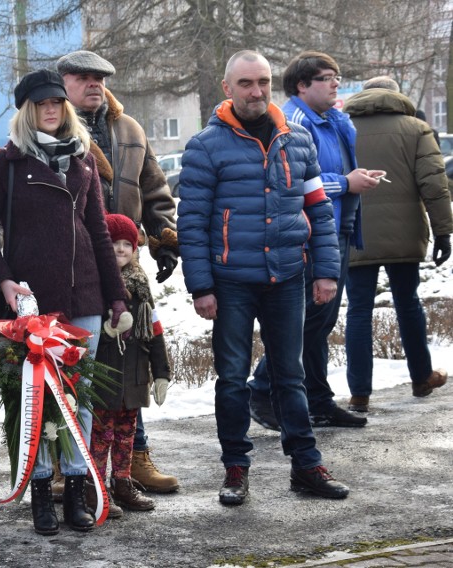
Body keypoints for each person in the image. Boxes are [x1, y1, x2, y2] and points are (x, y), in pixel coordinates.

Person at [178, 50, 350, 506]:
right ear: (227, 88)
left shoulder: (297, 141)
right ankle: (236, 469)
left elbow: (319, 211)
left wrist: (326, 272)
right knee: (232, 379)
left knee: (289, 376)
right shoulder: (204, 147)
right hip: (231, 280)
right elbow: (192, 222)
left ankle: (306, 467)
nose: (256, 91)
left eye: (263, 82)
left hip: (289, 276)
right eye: (246, 83)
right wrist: (201, 286)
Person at [0, 69, 127, 536]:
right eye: (42, 104)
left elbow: (99, 233)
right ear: (27, 110)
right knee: (33, 400)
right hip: (28, 305)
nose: (52, 110)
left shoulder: (83, 163)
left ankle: (76, 491)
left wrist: (116, 296)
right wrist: (2, 281)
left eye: (58, 102)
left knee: (77, 400)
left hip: (85, 299)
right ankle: (41, 493)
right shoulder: (4, 163)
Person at [56, 50, 180, 494]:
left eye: (100, 78)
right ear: (64, 83)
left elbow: (155, 188)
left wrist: (164, 238)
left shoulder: (128, 128)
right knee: (74, 365)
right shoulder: (51, 126)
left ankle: (135, 457)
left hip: (125, 263)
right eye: (83, 77)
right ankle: (64, 464)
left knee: (131, 360)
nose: (94, 84)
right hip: (71, 266)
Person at [248, 51, 380, 430]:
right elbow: (288, 182)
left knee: (321, 321)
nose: (335, 82)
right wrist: (346, 183)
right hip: (306, 235)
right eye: (326, 77)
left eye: (337, 75)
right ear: (302, 86)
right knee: (304, 320)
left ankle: (319, 400)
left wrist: (354, 177)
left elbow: (328, 173)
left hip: (336, 230)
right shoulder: (293, 122)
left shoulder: (334, 121)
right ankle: (261, 387)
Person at [343, 76, 452, 410]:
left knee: (358, 310)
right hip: (404, 232)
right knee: (408, 303)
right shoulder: (415, 129)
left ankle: (360, 392)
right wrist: (443, 231)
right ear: (396, 97)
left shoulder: (342, 128)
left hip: (355, 231)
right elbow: (433, 184)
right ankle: (421, 378)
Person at [89, 213, 173, 517]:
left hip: (134, 377)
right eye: (113, 243)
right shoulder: (95, 285)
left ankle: (122, 483)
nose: (121, 249)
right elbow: (85, 333)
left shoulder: (141, 289)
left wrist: (161, 373)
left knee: (126, 434)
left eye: (127, 244)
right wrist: (106, 331)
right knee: (101, 434)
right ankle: (95, 489)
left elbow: (155, 334)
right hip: (105, 378)